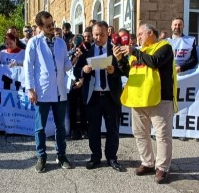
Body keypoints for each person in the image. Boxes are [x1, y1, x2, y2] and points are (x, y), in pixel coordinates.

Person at [116, 23, 176, 184]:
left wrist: (134, 51)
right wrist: (121, 60)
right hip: (139, 99)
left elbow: (154, 62)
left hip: (160, 98)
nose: (139, 37)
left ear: (150, 33)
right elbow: (129, 72)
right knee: (140, 133)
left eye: (141, 34)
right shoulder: (139, 51)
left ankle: (162, 167)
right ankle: (148, 162)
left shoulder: (165, 47)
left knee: (162, 136)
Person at [24, 11, 73, 173]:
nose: (53, 27)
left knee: (60, 126)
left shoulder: (61, 43)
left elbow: (66, 65)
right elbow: (28, 67)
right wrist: (30, 89)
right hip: (42, 91)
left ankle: (61, 154)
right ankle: (42, 156)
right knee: (40, 127)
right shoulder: (34, 43)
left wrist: (73, 61)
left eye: (53, 23)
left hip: (60, 91)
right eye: (48, 25)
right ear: (40, 27)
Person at [74, 21, 126, 172]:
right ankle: (95, 157)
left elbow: (125, 70)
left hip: (111, 96)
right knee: (93, 129)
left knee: (112, 129)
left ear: (107, 34)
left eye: (101, 35)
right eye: (95, 34)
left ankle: (112, 158)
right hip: (93, 96)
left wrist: (113, 71)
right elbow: (75, 70)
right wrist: (83, 69)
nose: (98, 37)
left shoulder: (115, 49)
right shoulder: (86, 50)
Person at [67, 29, 92, 140]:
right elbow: (69, 67)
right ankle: (73, 130)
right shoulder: (72, 52)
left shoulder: (89, 51)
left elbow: (88, 67)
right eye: (84, 37)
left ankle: (84, 129)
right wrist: (76, 56)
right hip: (72, 83)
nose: (86, 39)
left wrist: (82, 80)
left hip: (84, 82)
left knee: (83, 107)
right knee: (72, 107)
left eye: (88, 36)